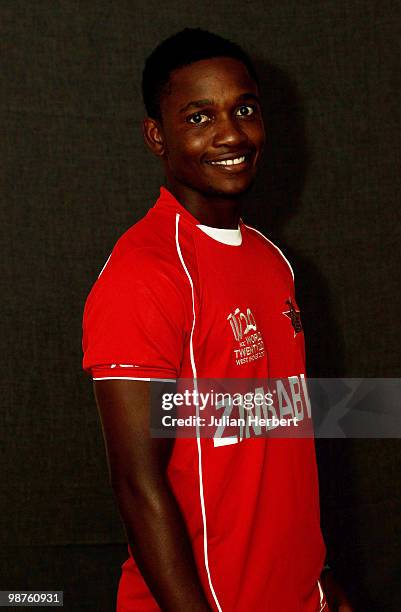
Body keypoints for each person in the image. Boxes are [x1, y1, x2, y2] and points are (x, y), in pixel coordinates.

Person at [82, 28, 353, 612]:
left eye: (244, 109)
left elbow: (284, 442)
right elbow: (137, 485)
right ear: (158, 135)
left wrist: (322, 581)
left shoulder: (272, 261)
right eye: (199, 117)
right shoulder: (145, 272)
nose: (231, 133)